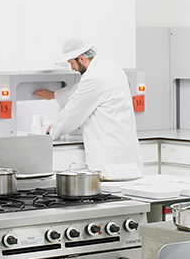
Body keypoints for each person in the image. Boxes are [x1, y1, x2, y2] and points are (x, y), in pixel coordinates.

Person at [34, 39, 142, 174]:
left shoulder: (94, 78)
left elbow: (72, 112)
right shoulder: (109, 66)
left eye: (71, 63)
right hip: (125, 147)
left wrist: (53, 130)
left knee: (110, 192)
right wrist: (54, 95)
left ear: (81, 58)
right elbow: (80, 89)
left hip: (108, 152)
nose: (72, 68)